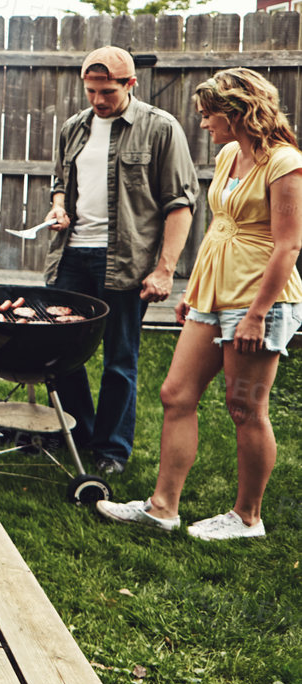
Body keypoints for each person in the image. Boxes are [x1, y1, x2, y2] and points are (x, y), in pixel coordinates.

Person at [97, 69, 300, 539]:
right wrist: (195, 289)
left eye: (210, 115)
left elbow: (288, 246)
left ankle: (247, 517)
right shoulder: (231, 154)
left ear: (237, 113)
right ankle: (162, 508)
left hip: (259, 297)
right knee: (176, 394)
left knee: (245, 408)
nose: (205, 125)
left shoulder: (285, 162)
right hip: (214, 291)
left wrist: (255, 316)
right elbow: (220, 227)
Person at [41, 47, 196, 475]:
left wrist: (164, 269)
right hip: (71, 257)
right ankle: (79, 432)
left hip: (126, 261)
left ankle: (111, 451)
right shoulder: (74, 127)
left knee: (119, 360)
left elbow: (180, 204)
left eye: (106, 91)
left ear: (130, 85)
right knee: (60, 352)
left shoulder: (160, 128)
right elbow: (60, 181)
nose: (98, 100)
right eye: (90, 91)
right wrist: (58, 208)